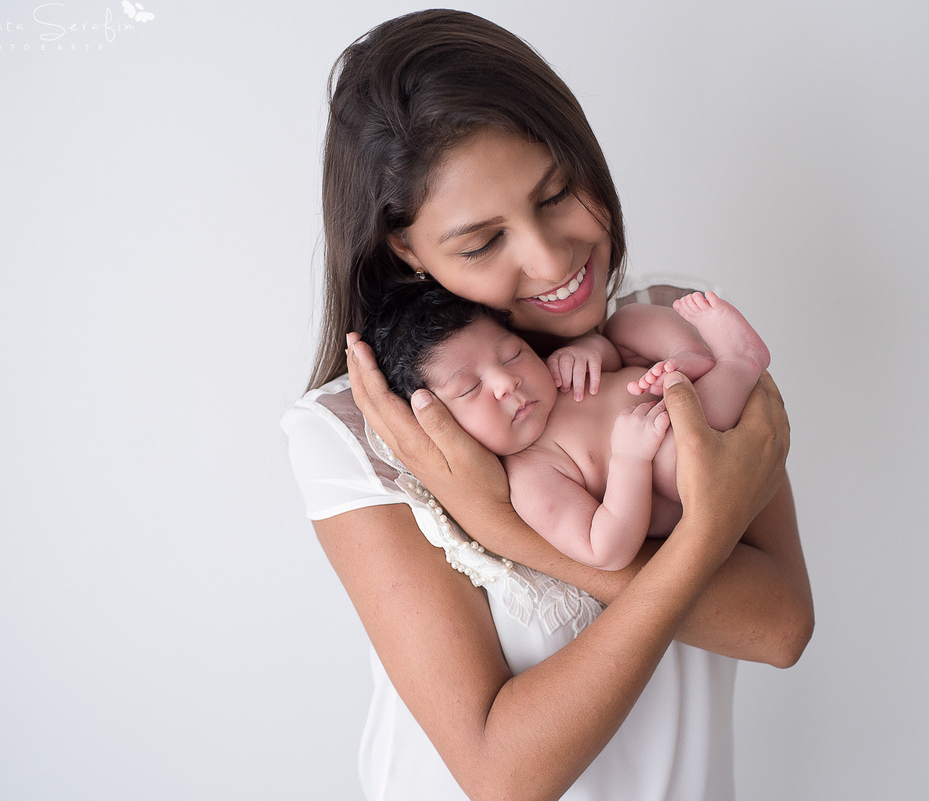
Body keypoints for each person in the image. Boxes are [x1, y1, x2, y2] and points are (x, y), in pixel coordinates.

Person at [282, 10, 812, 801]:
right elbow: (503, 775)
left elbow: (779, 626)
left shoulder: (675, 328)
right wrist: (704, 533)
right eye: (481, 242)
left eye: (557, 192)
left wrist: (502, 524)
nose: (550, 257)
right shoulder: (363, 436)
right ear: (406, 248)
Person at [361, 281, 771, 571]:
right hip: (684, 460)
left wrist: (589, 350)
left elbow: (613, 355)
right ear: (438, 425)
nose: (506, 382)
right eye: (470, 388)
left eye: (512, 354)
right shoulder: (531, 474)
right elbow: (603, 549)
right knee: (670, 460)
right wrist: (630, 461)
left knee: (624, 323)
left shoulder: (553, 375)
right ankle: (739, 362)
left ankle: (692, 353)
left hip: (675, 385)